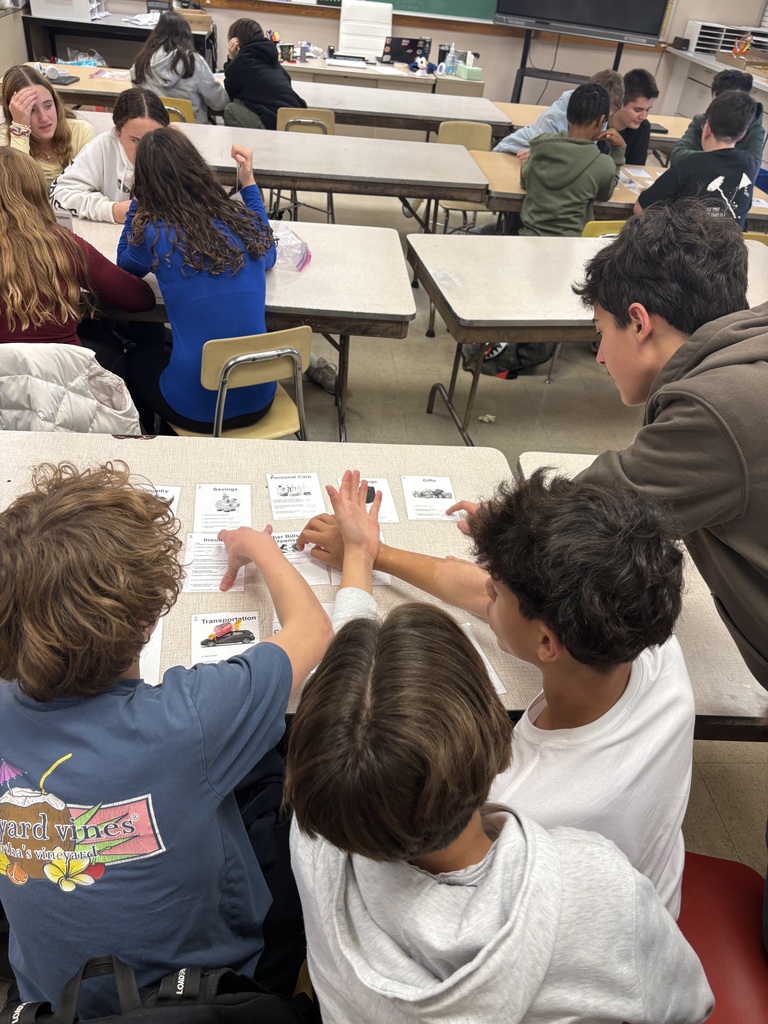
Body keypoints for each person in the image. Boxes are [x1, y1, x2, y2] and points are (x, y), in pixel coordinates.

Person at [0, 460, 333, 1018]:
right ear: (148, 621)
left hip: (49, 1000)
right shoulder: (190, 719)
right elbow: (313, 629)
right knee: (278, 785)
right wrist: (259, 546)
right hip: (207, 989)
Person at [285, 599, 713, 1023]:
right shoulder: (598, 885)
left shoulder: (314, 847)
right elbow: (687, 1004)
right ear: (495, 738)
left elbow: (349, 720)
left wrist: (356, 580)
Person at [297, 470, 694, 917]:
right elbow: (485, 594)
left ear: (547, 644)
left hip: (580, 928)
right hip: (645, 897)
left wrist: (359, 562)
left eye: (496, 589)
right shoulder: (651, 644)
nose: (482, 585)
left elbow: (345, 689)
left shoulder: (508, 803)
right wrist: (375, 553)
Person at [116, 129, 277, 433]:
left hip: (197, 408)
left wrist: (136, 203)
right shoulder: (241, 221)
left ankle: (160, 439)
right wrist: (248, 183)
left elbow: (125, 264)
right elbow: (268, 253)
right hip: (259, 397)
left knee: (138, 356)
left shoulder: (153, 233)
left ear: (145, 182)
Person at [0, 148, 154, 371]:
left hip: (6, 385)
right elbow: (138, 299)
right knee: (108, 342)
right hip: (62, 382)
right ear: (36, 192)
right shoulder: (64, 245)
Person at [634, 91, 758, 228]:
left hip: (684, 241)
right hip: (731, 242)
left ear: (707, 128)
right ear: (742, 135)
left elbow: (641, 209)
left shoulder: (690, 163)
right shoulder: (750, 165)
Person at [50, 87, 170, 224]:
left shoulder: (176, 151)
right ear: (118, 133)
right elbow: (59, 194)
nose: (146, 148)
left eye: (155, 138)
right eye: (136, 141)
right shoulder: (103, 147)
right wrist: (111, 210)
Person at [519, 83, 626, 236]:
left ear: (568, 115)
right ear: (602, 120)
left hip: (528, 239)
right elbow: (605, 194)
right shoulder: (602, 164)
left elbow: (525, 180)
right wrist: (618, 150)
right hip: (571, 244)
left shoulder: (541, 147)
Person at [493, 68, 624, 160]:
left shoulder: (600, 117)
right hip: (511, 154)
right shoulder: (554, 118)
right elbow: (542, 154)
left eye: (606, 115)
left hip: (541, 161)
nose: (601, 120)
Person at [0, 64, 95, 187]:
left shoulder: (82, 132)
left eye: (48, 106)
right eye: (31, 110)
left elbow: (90, 188)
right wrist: (20, 130)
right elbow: (17, 191)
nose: (44, 118)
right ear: (14, 114)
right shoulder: (5, 141)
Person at [131, 11, 228, 124]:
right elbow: (218, 102)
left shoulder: (142, 61)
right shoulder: (194, 61)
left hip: (154, 128)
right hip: (191, 129)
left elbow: (138, 93)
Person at [223, 18, 307, 130]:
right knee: (240, 102)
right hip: (296, 118)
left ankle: (254, 141)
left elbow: (230, 91)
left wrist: (232, 58)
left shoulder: (242, 61)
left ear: (236, 42)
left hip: (276, 123)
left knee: (231, 109)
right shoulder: (269, 55)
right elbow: (287, 79)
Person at [671, 68, 765, 166]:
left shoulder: (754, 130)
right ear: (714, 96)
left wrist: (711, 159)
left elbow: (751, 168)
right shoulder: (702, 120)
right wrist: (719, 160)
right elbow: (677, 155)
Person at [609, 67, 659, 164]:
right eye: (637, 110)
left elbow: (636, 167)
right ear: (619, 102)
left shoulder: (643, 127)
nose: (643, 117)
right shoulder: (599, 123)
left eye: (648, 110)